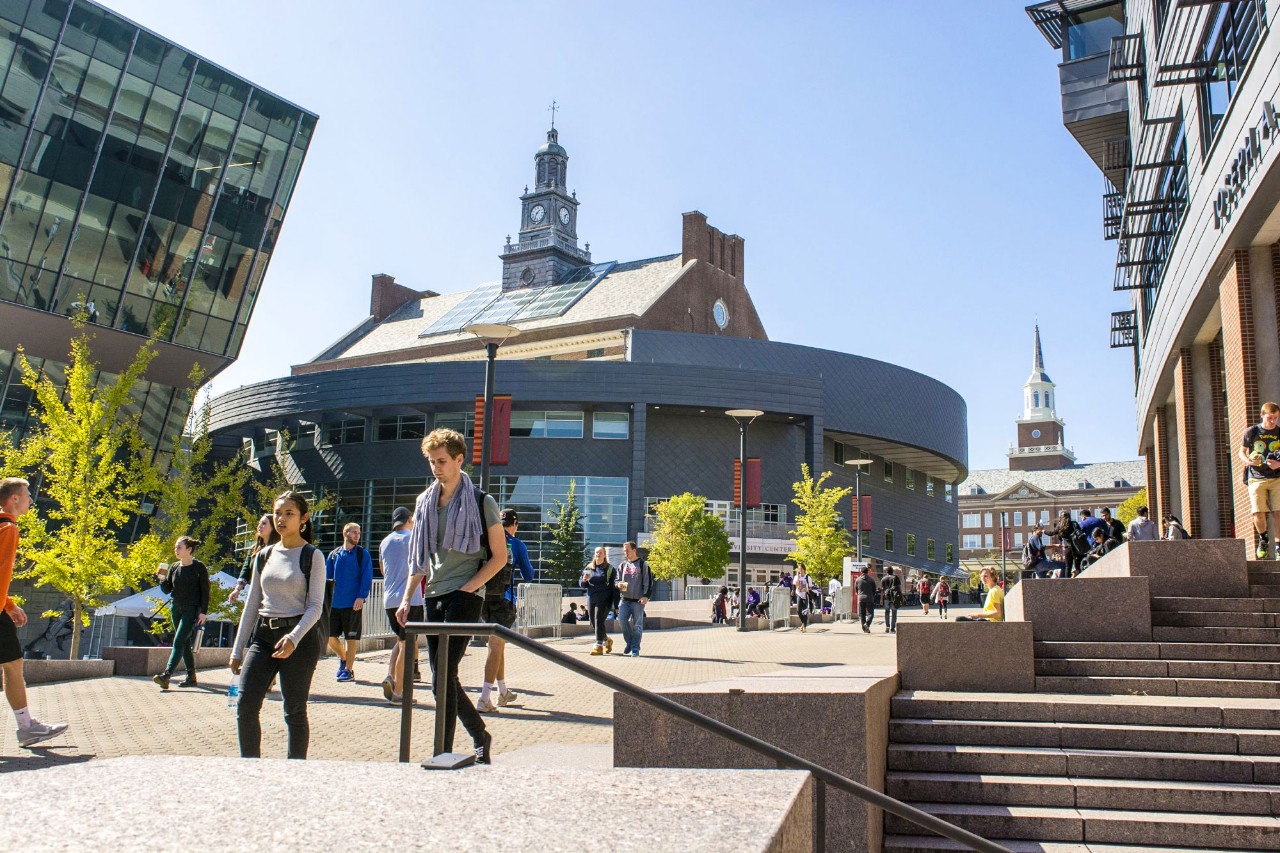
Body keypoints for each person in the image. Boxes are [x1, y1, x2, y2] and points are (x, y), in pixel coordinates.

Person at [396, 428, 503, 764]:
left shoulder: (481, 500)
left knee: (443, 676)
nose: (436, 467)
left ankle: (442, 751)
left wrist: (469, 588)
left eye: (442, 461)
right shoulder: (425, 502)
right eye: (431, 462)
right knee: (440, 678)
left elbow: (499, 557)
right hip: (434, 595)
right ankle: (478, 735)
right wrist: (406, 597)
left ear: (459, 459)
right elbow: (421, 558)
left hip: (465, 595)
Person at [230, 490, 326, 759]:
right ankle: (251, 767)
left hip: (299, 639)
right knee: (245, 705)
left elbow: (315, 607)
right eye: (278, 513)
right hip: (263, 636)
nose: (281, 519)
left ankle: (295, 769)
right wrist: (238, 650)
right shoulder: (264, 555)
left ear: (303, 518)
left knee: (294, 710)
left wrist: (294, 638)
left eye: (289, 514)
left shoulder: (312, 556)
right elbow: (252, 604)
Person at [0, 477, 68, 748]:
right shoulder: (8, 528)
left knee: (13, 664)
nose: (31, 500)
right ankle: (27, 727)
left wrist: (9, 605)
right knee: (13, 666)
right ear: (14, 498)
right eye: (27, 495)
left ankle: (27, 726)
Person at [477, 509, 535, 712]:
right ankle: (484, 698)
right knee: (495, 647)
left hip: (484, 598)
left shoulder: (487, 541)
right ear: (515, 523)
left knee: (497, 645)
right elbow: (528, 575)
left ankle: (503, 692)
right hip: (504, 599)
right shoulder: (516, 544)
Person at [153, 536, 210, 690]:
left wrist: (203, 612)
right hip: (176, 608)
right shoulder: (174, 567)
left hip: (191, 609)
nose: (176, 550)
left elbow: (206, 591)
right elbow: (167, 590)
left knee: (178, 641)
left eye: (179, 547)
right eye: (176, 547)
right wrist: (161, 579)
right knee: (183, 642)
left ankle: (167, 675)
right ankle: (191, 677)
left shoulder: (199, 567)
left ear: (189, 549)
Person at [379, 507, 420, 705]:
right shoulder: (412, 538)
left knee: (400, 640)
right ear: (409, 519)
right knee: (407, 644)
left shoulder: (385, 542)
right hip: (410, 599)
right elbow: (423, 566)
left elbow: (382, 568)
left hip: (389, 599)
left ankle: (390, 675)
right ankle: (399, 692)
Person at [325, 522, 372, 683]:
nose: (357, 536)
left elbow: (367, 577)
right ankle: (344, 659)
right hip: (334, 604)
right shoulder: (333, 555)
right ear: (345, 533)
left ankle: (348, 670)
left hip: (353, 604)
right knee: (330, 636)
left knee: (351, 639)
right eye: (354, 533)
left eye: (359, 533)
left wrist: (361, 596)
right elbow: (327, 580)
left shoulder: (362, 554)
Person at [1239, 402, 1280, 559]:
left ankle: (1278, 547)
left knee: (1278, 512)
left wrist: (1278, 464)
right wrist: (1248, 461)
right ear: (1262, 415)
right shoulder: (1252, 431)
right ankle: (1263, 539)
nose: (1273, 421)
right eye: (1270, 418)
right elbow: (1241, 452)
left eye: (1276, 418)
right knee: (1258, 512)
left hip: (1277, 477)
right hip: (1256, 477)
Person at [229, 514, 278, 605]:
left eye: (264, 523)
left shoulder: (280, 549)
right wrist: (237, 590)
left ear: (274, 527)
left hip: (275, 596)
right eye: (259, 523)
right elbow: (245, 571)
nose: (259, 526)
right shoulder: (253, 549)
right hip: (256, 594)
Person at [616, 541, 653, 657]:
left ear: (634, 550)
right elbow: (616, 581)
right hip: (625, 600)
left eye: (627, 550)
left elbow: (649, 582)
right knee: (621, 620)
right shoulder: (622, 565)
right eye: (624, 551)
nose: (625, 553)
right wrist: (618, 585)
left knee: (637, 625)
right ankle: (630, 642)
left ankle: (635, 648)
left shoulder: (643, 565)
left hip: (638, 601)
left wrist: (646, 596)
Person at [580, 546, 617, 654]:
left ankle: (598, 645)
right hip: (592, 598)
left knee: (598, 619)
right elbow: (582, 585)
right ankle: (607, 640)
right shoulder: (589, 567)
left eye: (600, 553)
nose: (598, 554)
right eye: (596, 552)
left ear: (604, 555)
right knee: (593, 622)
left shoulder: (610, 569)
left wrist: (616, 605)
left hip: (605, 599)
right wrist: (584, 581)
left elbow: (614, 588)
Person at [793, 566, 817, 632]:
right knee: (798, 611)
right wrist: (798, 577)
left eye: (801, 569)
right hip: (799, 594)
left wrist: (807, 589)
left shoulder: (807, 577)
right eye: (799, 569)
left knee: (805, 611)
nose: (800, 570)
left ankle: (804, 627)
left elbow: (811, 587)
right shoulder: (796, 577)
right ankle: (803, 623)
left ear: (804, 569)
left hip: (806, 595)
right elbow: (795, 584)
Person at [855, 566, 877, 633]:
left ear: (861, 572)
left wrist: (859, 594)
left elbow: (856, 589)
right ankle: (867, 624)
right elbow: (874, 590)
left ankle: (864, 628)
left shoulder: (858, 580)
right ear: (868, 572)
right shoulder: (871, 579)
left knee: (862, 613)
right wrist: (872, 595)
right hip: (869, 597)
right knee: (871, 613)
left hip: (861, 598)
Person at [880, 567, 901, 633]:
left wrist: (881, 599)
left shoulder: (883, 579)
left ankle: (887, 626)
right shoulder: (896, 578)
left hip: (886, 597)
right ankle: (892, 628)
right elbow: (899, 588)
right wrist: (901, 596)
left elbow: (882, 590)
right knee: (894, 612)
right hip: (894, 597)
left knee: (887, 612)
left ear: (886, 572)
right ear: (892, 571)